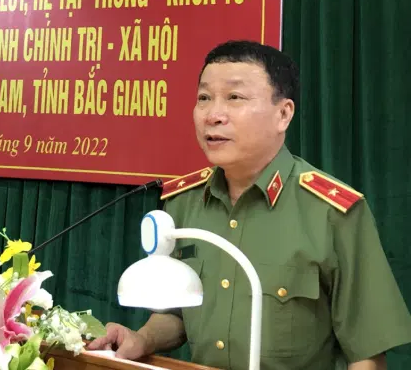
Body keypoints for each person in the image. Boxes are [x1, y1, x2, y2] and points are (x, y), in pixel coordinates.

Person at [88, 40, 411, 370]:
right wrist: (142, 339)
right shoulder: (184, 202)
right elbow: (177, 314)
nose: (213, 115)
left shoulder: (332, 212)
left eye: (234, 98)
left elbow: (366, 353)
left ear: (283, 114)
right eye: (204, 98)